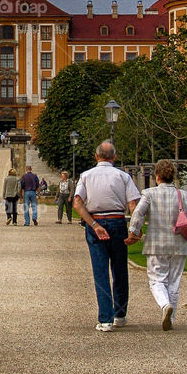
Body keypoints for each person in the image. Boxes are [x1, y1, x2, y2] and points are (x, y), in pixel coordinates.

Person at [74, 141, 140, 331]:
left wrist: (94, 225)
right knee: (120, 270)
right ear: (114, 157)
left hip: (96, 222)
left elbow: (78, 204)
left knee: (100, 271)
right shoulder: (123, 176)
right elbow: (133, 205)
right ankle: (120, 314)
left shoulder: (86, 176)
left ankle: (105, 319)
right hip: (117, 220)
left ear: (96, 156)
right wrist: (135, 229)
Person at [125, 160, 187, 331]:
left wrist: (133, 232)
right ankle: (170, 317)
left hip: (156, 244)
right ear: (173, 177)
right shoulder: (184, 195)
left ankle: (165, 306)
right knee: (174, 282)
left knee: (157, 280)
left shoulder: (149, 194)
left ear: (157, 176)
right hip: (179, 244)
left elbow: (138, 213)